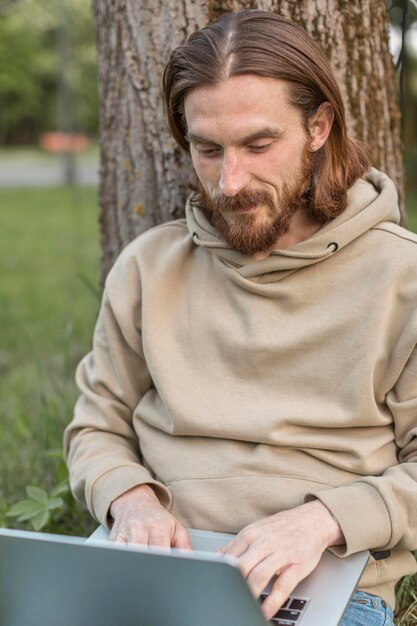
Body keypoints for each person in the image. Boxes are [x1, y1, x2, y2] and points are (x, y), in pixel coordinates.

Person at [64, 9, 417, 625]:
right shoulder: (150, 267)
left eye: (259, 145)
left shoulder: (401, 279)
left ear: (318, 125)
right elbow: (97, 426)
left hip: (322, 584)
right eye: (208, 149)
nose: (231, 182)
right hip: (158, 572)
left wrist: (325, 520)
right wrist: (131, 500)